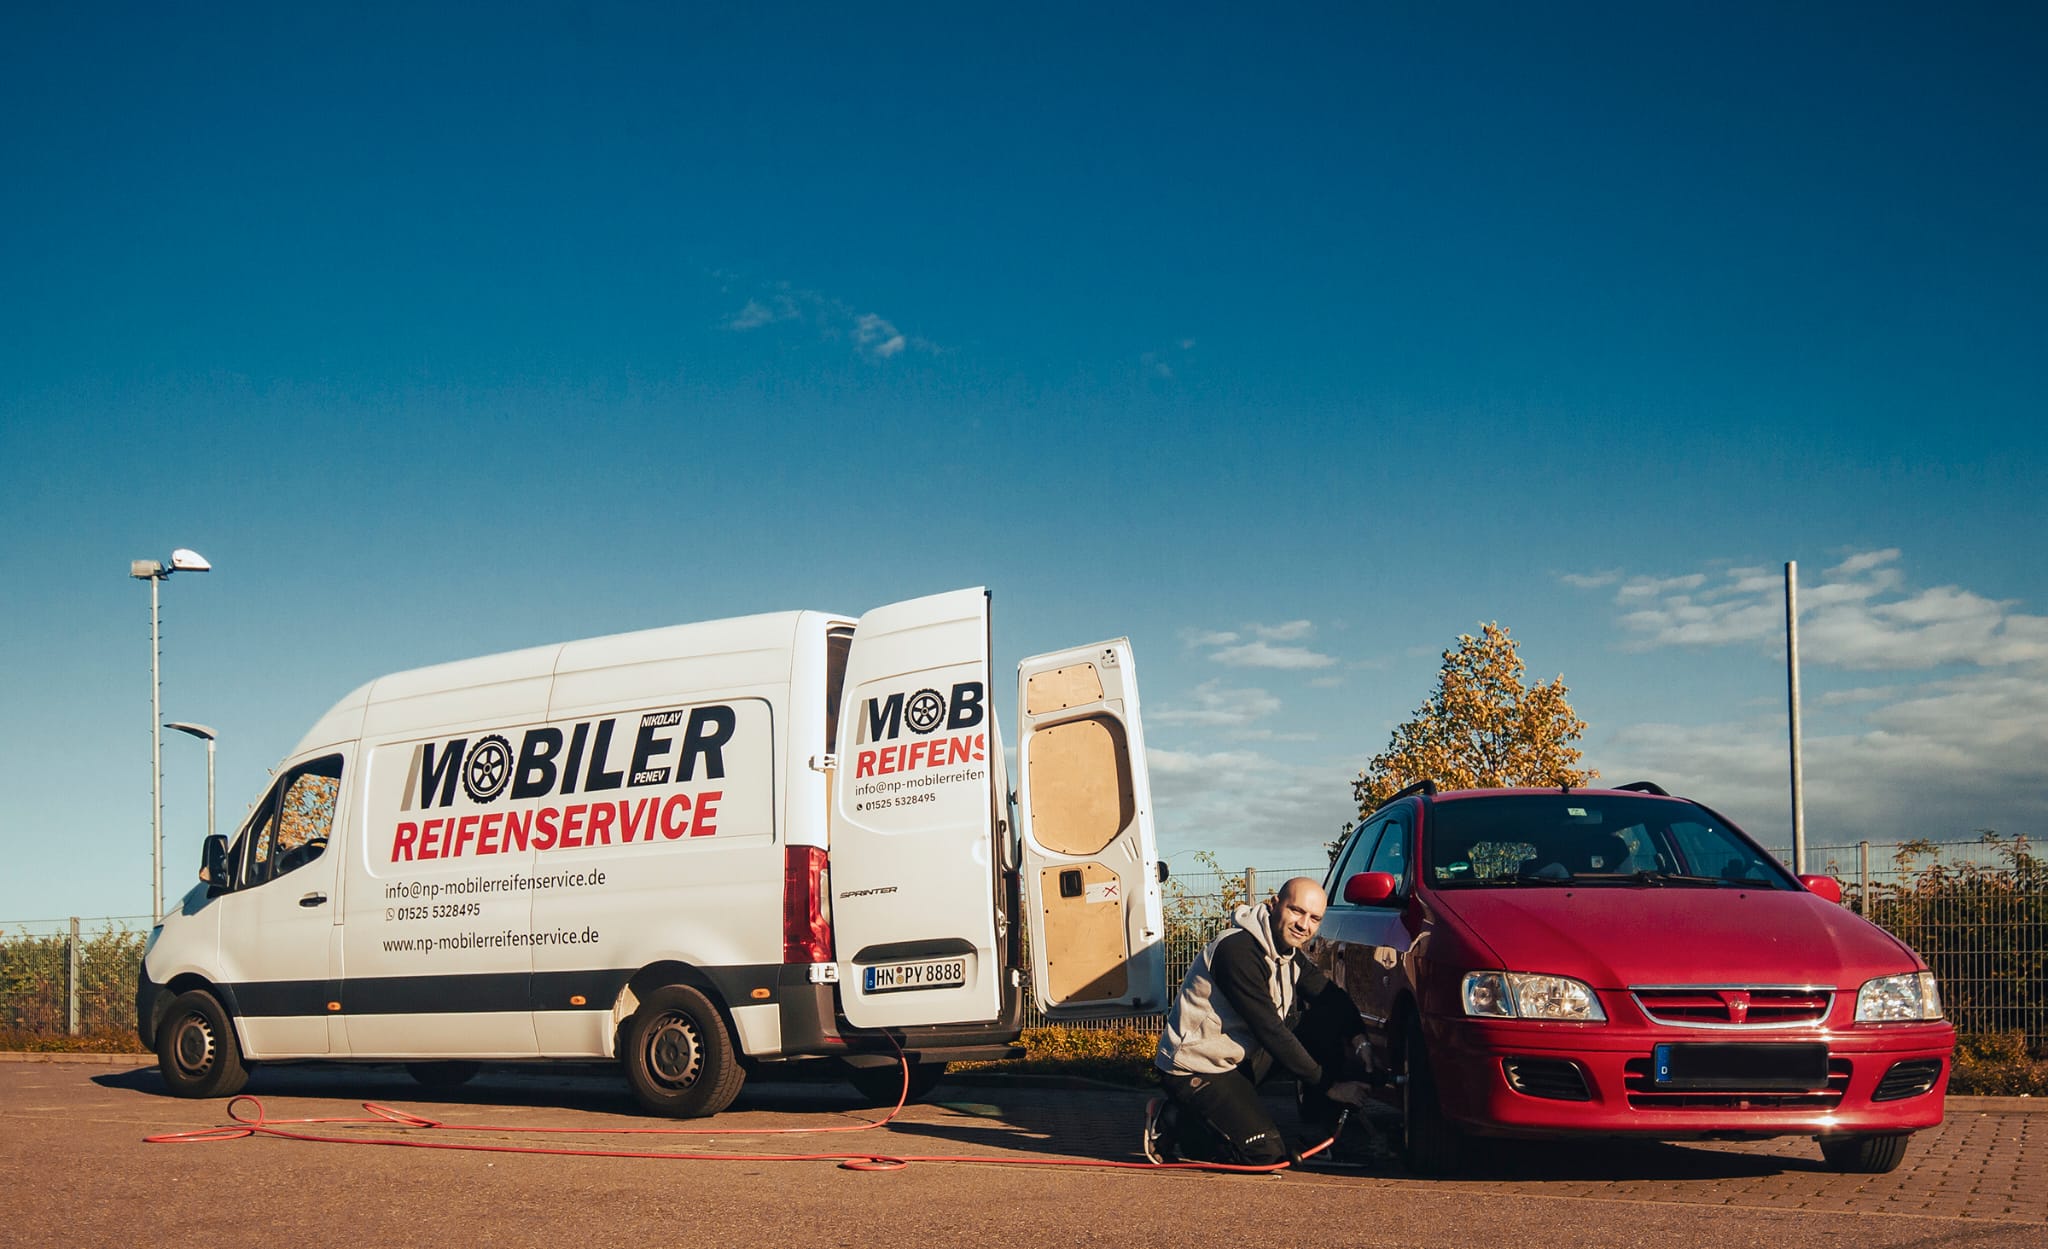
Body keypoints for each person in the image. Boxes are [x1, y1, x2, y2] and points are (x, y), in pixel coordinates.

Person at [1145, 877, 1375, 1165]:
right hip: (1197, 1066)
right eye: (1296, 911)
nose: (1304, 925)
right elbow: (1270, 1031)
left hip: (1238, 1059)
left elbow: (1330, 998)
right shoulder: (1237, 951)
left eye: (1314, 918)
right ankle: (1174, 1120)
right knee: (1265, 1155)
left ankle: (1318, 1132)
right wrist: (1330, 1086)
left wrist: (1359, 1039)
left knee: (1320, 1022)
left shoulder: (1288, 954)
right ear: (1274, 905)